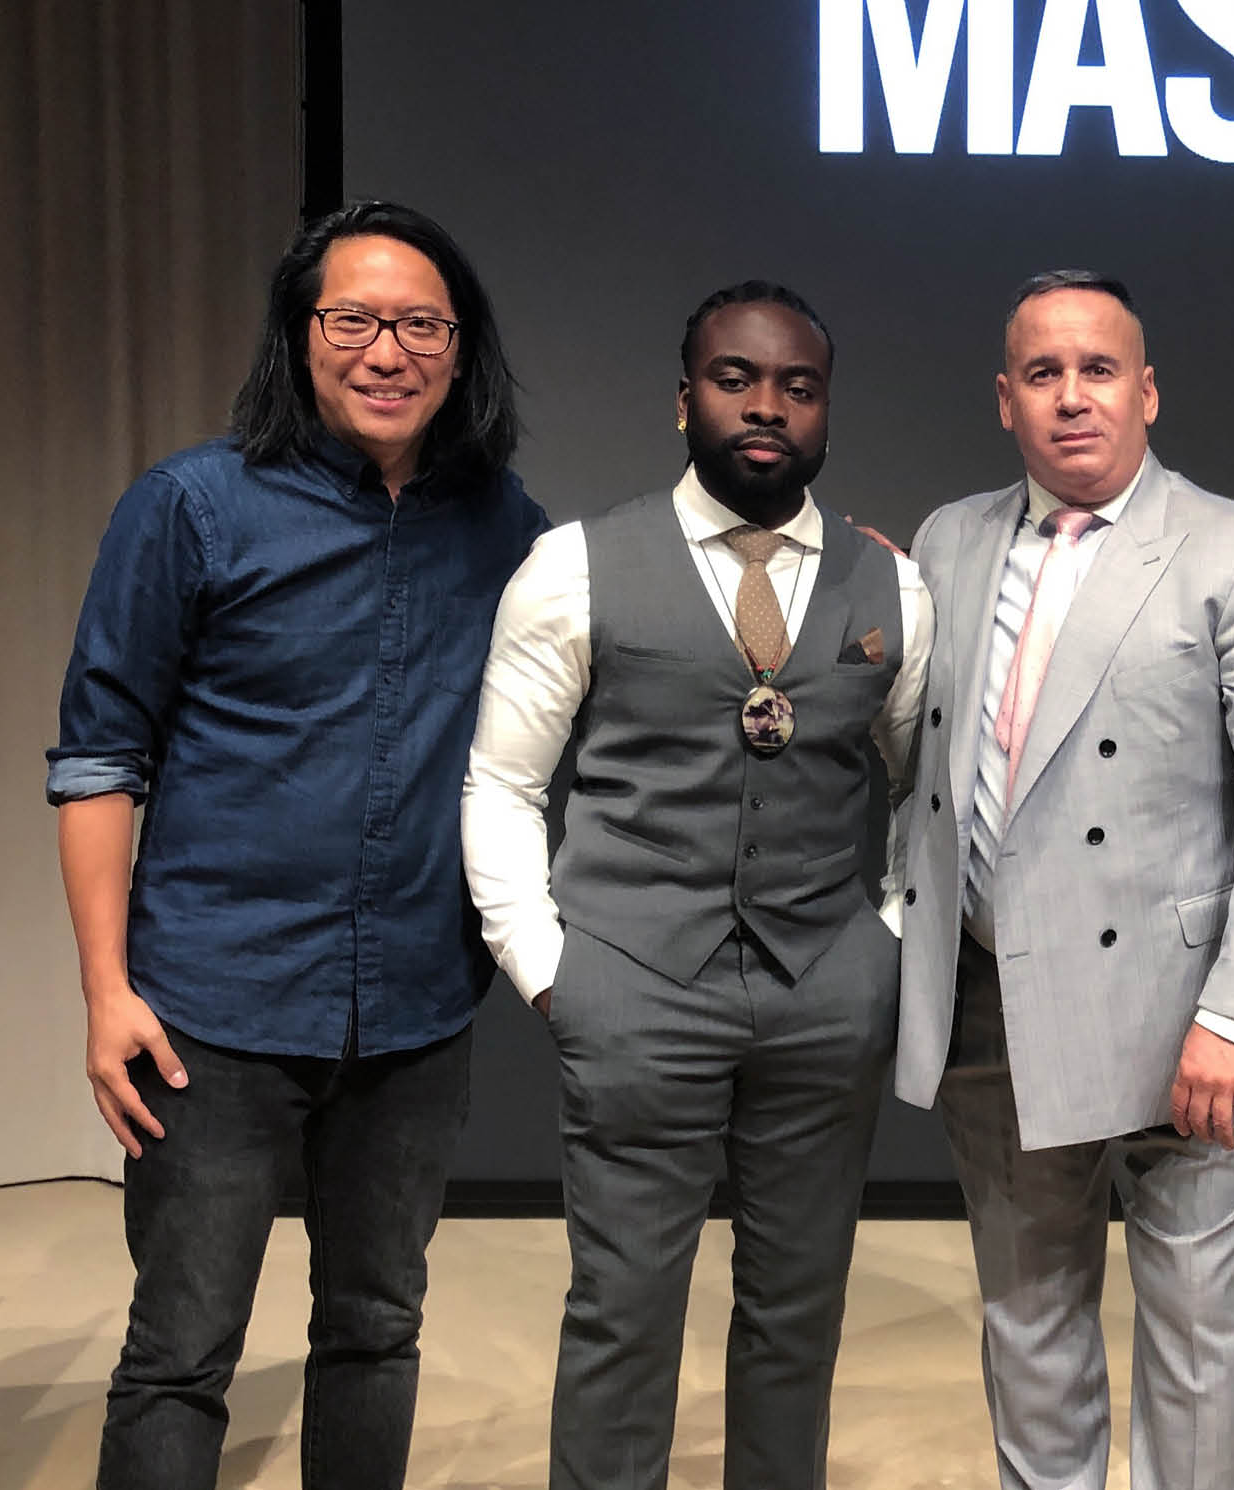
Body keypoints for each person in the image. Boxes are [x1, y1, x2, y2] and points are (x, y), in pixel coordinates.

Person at [48, 200, 545, 1490]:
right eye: (355, 318)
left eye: (421, 323)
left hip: (417, 1014)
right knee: (179, 1353)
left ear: (460, 345)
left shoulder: (506, 528)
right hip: (208, 1006)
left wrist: (831, 568)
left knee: (376, 1332)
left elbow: (617, 670)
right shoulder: (190, 506)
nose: (388, 350)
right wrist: (105, 990)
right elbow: (100, 755)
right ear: (300, 333)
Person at [459, 280, 930, 1489]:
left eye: (797, 385)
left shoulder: (895, 589)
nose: (765, 405)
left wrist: (881, 938)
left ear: (825, 412)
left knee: (797, 1314)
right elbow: (501, 785)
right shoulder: (574, 566)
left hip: (826, 996)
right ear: (683, 402)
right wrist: (552, 970)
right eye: (735, 379)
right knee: (622, 1313)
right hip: (631, 986)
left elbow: (926, 796)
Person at [891, 270, 1234, 1490]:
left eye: (1099, 370)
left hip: (1182, 1012)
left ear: (1147, 390)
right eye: (1043, 374)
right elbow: (927, 763)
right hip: (992, 996)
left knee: (1193, 1331)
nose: (1072, 397)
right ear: (1005, 399)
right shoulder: (949, 536)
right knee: (1028, 1320)